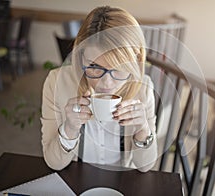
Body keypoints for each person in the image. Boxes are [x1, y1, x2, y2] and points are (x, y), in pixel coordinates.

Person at [41, 6, 157, 172]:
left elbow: (145, 167)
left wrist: (143, 129)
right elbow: (54, 163)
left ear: (136, 61)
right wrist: (69, 129)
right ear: (80, 57)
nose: (106, 83)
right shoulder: (57, 82)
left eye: (119, 67)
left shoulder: (143, 88)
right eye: (94, 66)